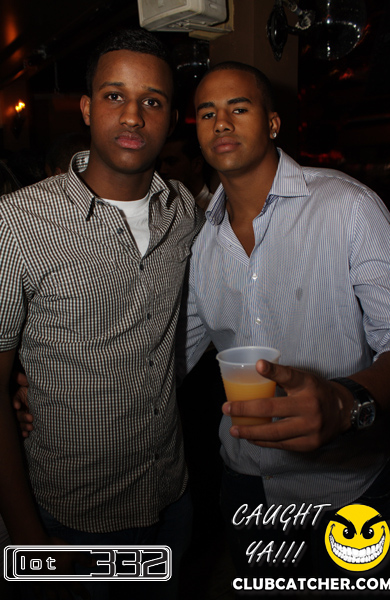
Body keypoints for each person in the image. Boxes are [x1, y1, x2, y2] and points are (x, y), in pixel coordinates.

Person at [179, 61, 390, 586]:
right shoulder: (199, 242)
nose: (221, 122)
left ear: (273, 123)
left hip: (348, 490)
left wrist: (345, 402)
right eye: (207, 113)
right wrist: (50, 388)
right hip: (248, 485)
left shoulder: (346, 207)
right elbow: (166, 359)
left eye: (239, 108)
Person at [0, 28, 202, 600]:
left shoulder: (183, 212)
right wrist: (28, 541)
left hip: (171, 497)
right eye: (115, 96)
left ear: (171, 119)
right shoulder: (17, 224)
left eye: (152, 101)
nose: (133, 116)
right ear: (87, 108)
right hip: (72, 518)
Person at [158, 123, 214, 210]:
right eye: (159, 163)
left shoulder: (219, 209)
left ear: (197, 165)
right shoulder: (160, 207)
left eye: (171, 162)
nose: (162, 170)